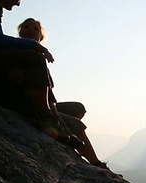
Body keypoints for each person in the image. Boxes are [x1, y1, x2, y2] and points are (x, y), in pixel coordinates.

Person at [0, 0, 84, 150]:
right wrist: (32, 45)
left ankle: (49, 121)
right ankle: (45, 118)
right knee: (34, 58)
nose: (18, 3)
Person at [18, 18, 109, 170]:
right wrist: (53, 113)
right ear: (20, 33)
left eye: (35, 29)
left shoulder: (36, 55)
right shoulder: (23, 53)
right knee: (77, 125)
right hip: (35, 105)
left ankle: (63, 131)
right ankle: (96, 163)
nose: (30, 30)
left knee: (78, 108)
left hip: (47, 103)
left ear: (41, 37)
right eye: (26, 27)